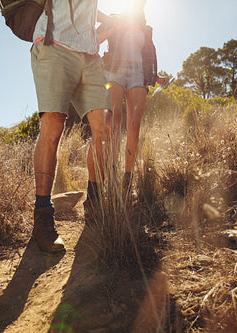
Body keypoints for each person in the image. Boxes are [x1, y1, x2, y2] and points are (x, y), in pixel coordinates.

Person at [30, 0, 112, 253]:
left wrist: (104, 30)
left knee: (104, 129)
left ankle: (95, 206)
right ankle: (43, 218)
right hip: (53, 46)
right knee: (53, 126)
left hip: (90, 57)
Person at [98, 0, 169, 198]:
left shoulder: (145, 29)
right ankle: (111, 172)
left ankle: (127, 179)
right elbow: (95, 38)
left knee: (134, 126)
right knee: (114, 120)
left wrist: (157, 77)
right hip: (115, 70)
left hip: (138, 72)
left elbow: (147, 56)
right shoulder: (115, 19)